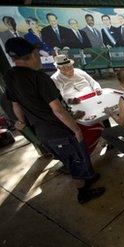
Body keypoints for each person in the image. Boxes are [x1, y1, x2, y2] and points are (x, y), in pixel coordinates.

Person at [3, 37, 105, 204]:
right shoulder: (40, 78)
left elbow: (16, 105)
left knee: (73, 158)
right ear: (34, 54)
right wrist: (76, 129)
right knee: (74, 161)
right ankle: (83, 193)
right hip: (58, 130)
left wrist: (21, 123)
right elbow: (58, 110)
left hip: (42, 132)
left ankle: (88, 177)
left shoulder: (10, 76)